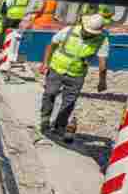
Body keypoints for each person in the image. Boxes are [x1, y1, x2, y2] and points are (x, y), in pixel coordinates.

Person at [40, 14, 109, 143]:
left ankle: (60, 126)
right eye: (88, 31)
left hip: (77, 74)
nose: (90, 35)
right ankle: (45, 119)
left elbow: (103, 64)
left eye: (92, 33)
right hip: (57, 68)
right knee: (50, 93)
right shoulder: (69, 31)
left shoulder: (102, 40)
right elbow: (51, 45)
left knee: (69, 101)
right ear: (83, 26)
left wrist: (102, 81)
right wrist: (45, 63)